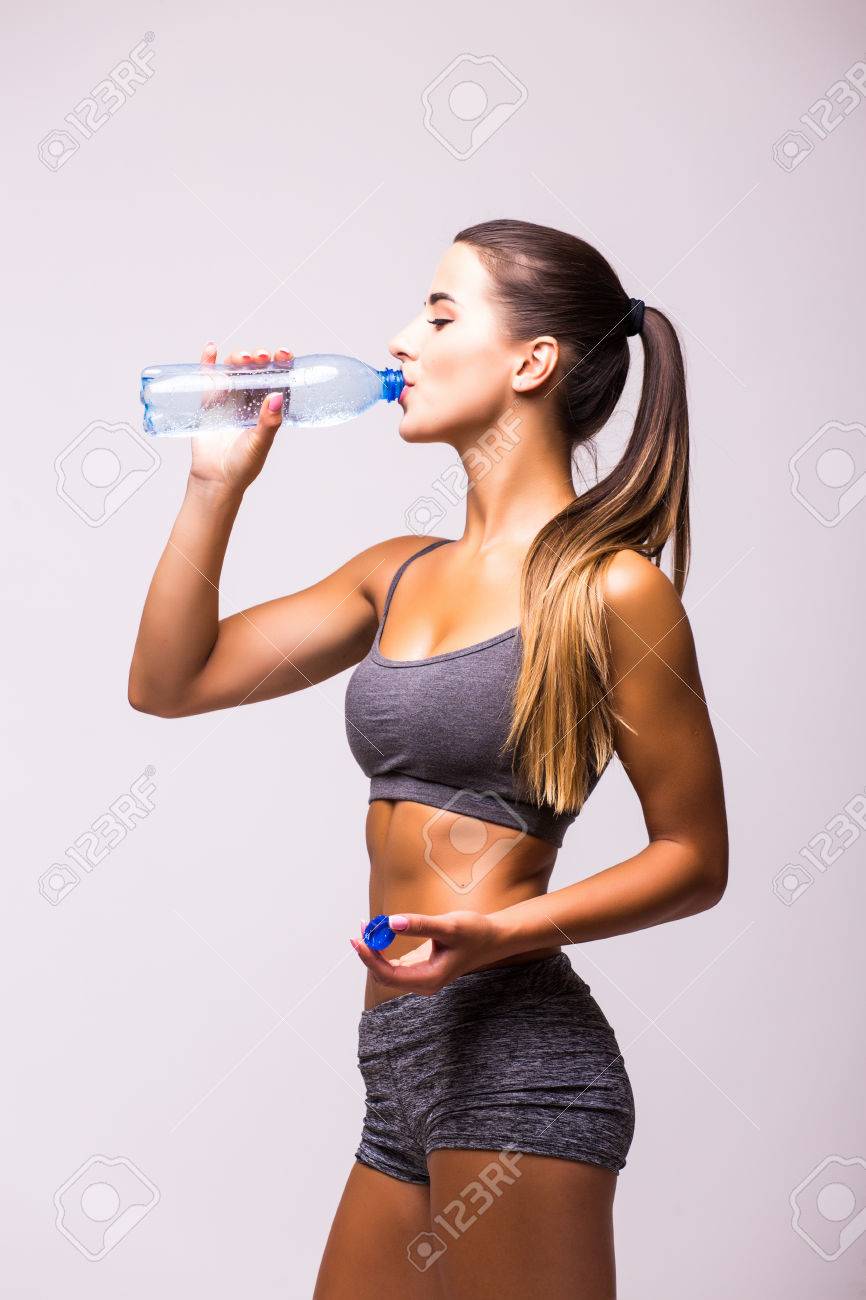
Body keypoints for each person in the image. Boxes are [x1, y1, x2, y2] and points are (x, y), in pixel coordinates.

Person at [128, 218, 728, 1298]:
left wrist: (494, 932)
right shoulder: (394, 573)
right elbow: (170, 684)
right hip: (397, 1066)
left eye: (440, 314)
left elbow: (694, 857)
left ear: (530, 362)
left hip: (515, 1067)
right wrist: (216, 485)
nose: (401, 339)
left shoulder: (609, 591)